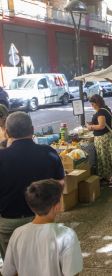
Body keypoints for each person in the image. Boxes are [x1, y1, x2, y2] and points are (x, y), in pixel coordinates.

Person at [0, 112, 65, 261]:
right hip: (42, 218)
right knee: (43, 262)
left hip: (9, 221)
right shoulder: (49, 153)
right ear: (32, 130)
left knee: (13, 265)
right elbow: (60, 183)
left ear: (8, 133)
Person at [1, 179, 83, 276]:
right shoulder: (67, 235)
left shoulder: (18, 233)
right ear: (56, 207)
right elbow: (72, 273)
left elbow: (9, 272)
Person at [88, 94, 112, 184]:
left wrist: (91, 127)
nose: (92, 106)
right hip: (107, 137)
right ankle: (108, 177)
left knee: (103, 158)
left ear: (97, 103)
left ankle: (108, 179)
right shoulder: (106, 109)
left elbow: (101, 126)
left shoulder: (101, 112)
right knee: (107, 157)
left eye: (93, 104)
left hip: (103, 138)